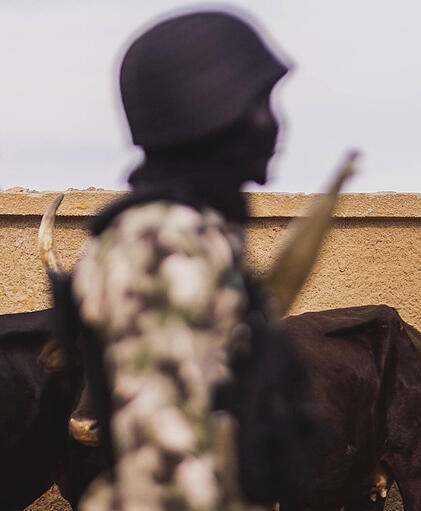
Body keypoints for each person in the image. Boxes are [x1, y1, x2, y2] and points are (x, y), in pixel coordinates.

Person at [68, 10, 292, 511]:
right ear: (209, 113)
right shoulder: (162, 242)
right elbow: (164, 471)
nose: (275, 123)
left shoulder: (196, 231)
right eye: (260, 102)